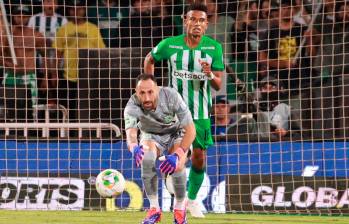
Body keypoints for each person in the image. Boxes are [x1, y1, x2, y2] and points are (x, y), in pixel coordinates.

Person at [144, 2, 225, 218]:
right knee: (176, 156)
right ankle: (177, 205)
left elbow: (218, 84)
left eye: (201, 20)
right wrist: (152, 87)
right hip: (174, 113)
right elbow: (149, 59)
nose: (196, 24)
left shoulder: (214, 48)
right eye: (193, 19)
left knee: (199, 158)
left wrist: (209, 74)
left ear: (206, 24)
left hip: (200, 113)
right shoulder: (170, 45)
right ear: (185, 20)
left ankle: (190, 199)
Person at [124, 74, 196, 224]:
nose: (147, 98)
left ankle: (179, 209)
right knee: (146, 158)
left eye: (150, 92)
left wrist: (178, 154)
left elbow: (191, 130)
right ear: (136, 92)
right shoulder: (132, 105)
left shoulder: (171, 96)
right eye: (142, 93)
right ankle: (154, 209)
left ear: (157, 89)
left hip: (176, 133)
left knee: (177, 166)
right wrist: (134, 147)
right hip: (151, 135)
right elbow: (131, 132)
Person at [53, 0, 105, 122]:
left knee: (88, 107)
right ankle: (68, 135)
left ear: (84, 10)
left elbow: (101, 52)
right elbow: (57, 54)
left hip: (89, 76)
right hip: (68, 76)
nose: (76, 11)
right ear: (69, 10)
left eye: (79, 8)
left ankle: (87, 134)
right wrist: (53, 73)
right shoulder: (63, 29)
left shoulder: (93, 29)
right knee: (68, 108)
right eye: (72, 8)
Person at [0, 5, 48, 121]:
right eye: (18, 15)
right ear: (13, 16)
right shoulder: (7, 34)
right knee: (8, 110)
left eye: (24, 16)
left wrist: (46, 77)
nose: (21, 18)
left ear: (29, 17)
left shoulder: (36, 35)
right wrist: (7, 63)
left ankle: (31, 135)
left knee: (32, 110)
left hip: (29, 76)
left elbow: (46, 56)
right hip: (11, 75)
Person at [28, 0, 67, 104]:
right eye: (48, 1)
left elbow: (63, 43)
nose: (50, 5)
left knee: (59, 96)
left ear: (57, 5)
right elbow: (28, 39)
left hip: (57, 65)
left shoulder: (62, 20)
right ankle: (41, 118)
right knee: (41, 95)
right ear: (43, 3)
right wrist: (41, 42)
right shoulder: (34, 19)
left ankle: (58, 118)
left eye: (54, 2)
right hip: (38, 64)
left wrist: (52, 43)